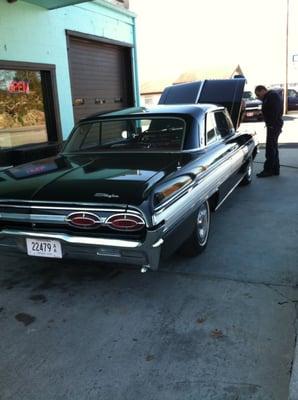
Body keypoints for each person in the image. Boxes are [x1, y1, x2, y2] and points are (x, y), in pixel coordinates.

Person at [254, 85, 283, 177]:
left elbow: (275, 111)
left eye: (258, 95)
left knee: (270, 149)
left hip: (273, 125)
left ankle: (268, 170)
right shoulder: (270, 96)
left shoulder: (272, 96)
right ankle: (275, 169)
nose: (259, 97)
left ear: (263, 90)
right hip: (273, 125)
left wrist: (271, 124)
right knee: (273, 147)